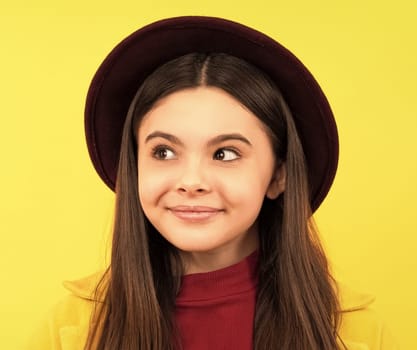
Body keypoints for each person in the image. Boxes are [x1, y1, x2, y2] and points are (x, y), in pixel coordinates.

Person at [29, 16, 396, 349]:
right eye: (164, 152)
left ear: (278, 175)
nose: (192, 181)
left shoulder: (354, 333)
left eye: (225, 153)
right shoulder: (70, 329)